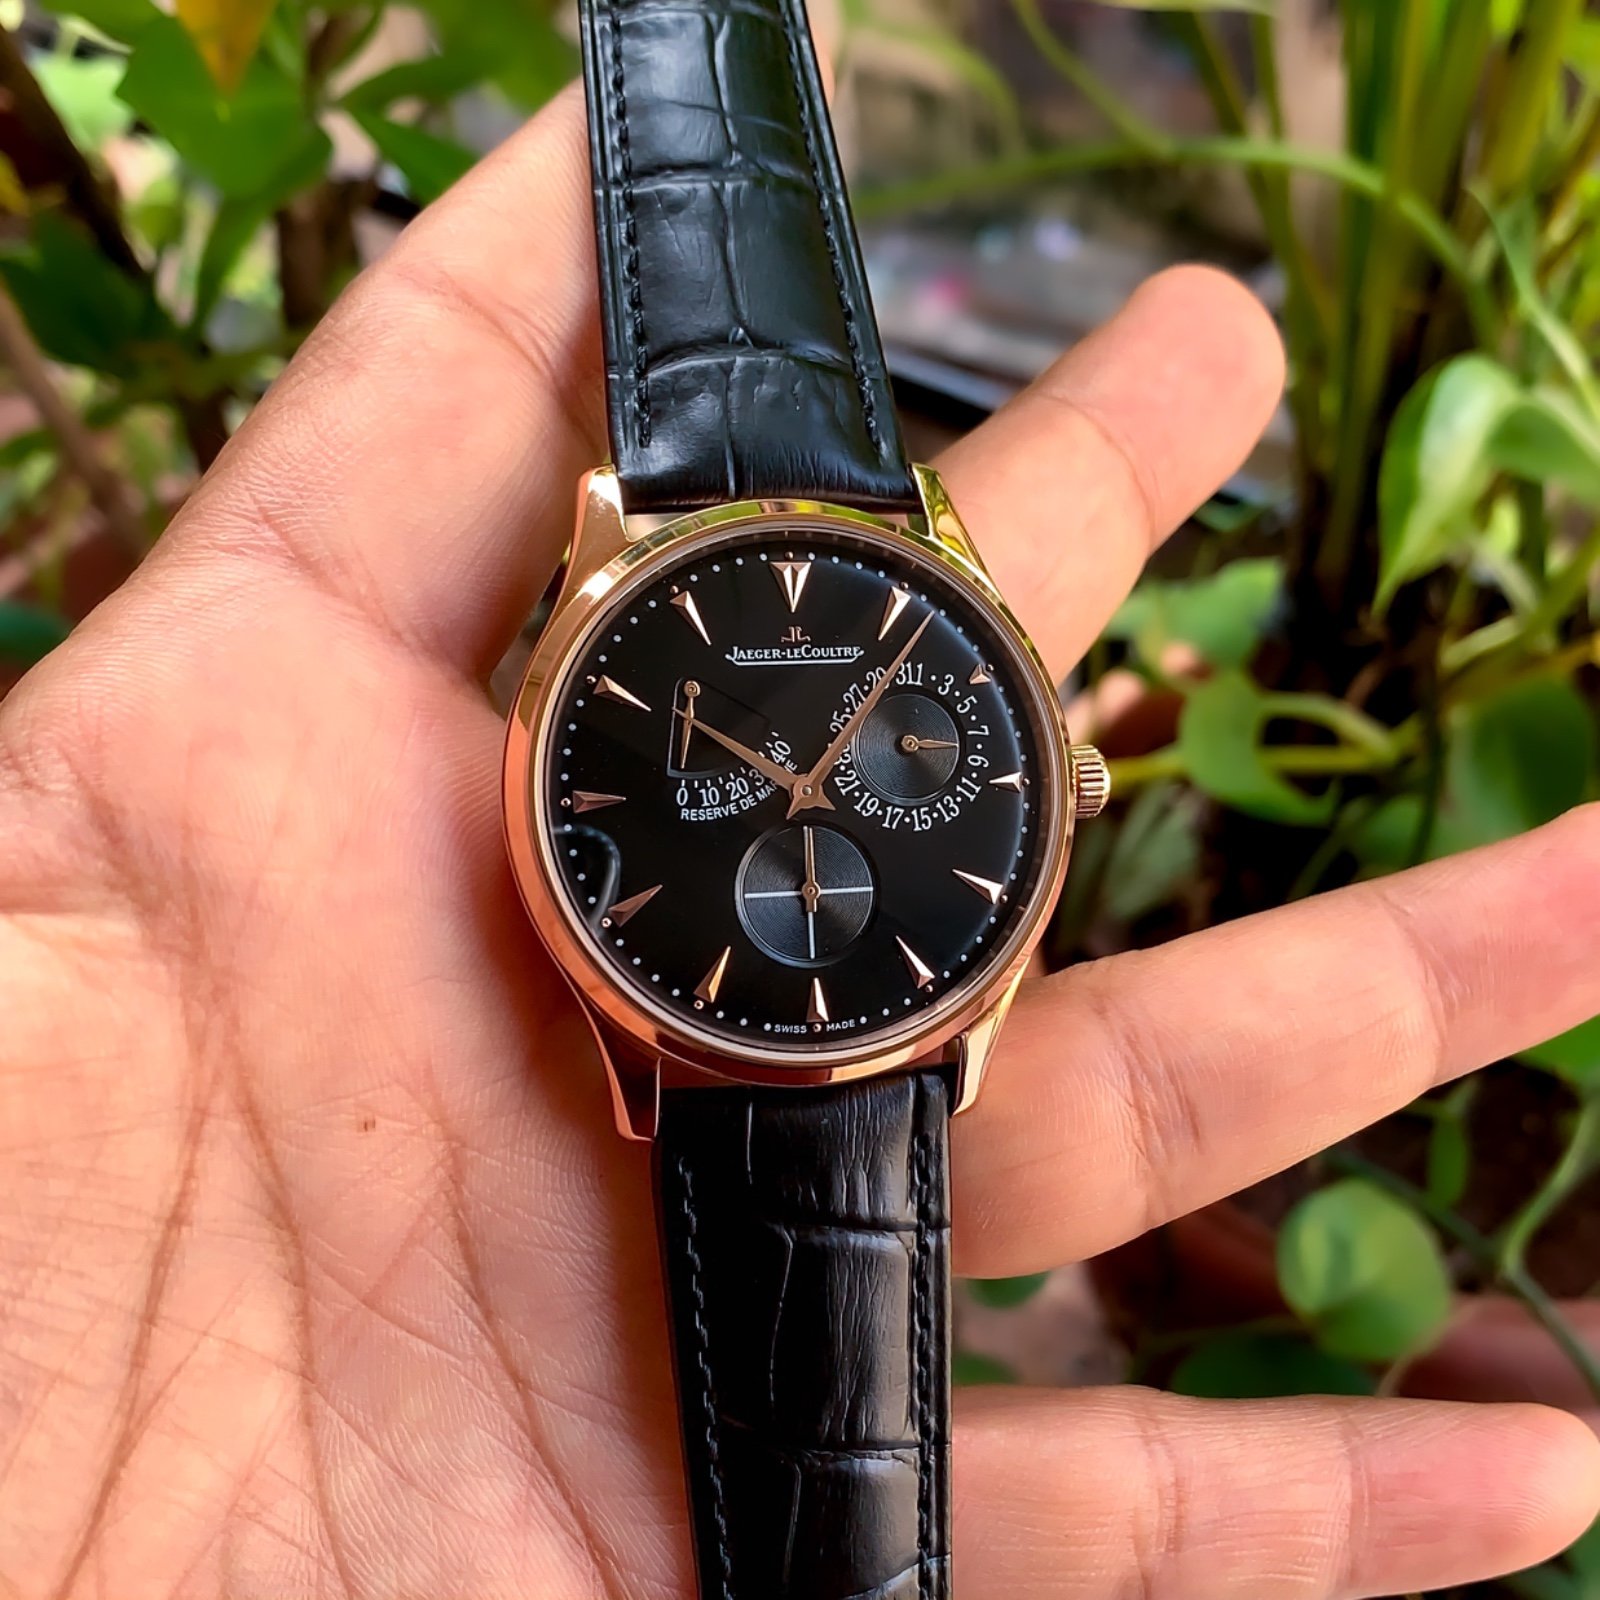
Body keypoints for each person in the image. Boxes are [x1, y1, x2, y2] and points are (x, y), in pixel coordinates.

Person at [2, 84, 1597, 1599]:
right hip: (693, 1020)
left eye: (858, 755)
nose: (817, 787)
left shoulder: (868, 656)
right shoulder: (689, 619)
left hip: (818, 1008)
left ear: (1060, 782)